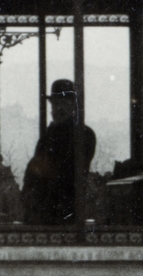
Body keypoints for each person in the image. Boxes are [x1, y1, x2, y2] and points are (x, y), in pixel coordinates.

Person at [21, 80, 97, 228]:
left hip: (65, 210)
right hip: (44, 211)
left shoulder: (82, 134)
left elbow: (67, 172)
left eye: (65, 103)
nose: (59, 108)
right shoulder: (49, 135)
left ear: (73, 106)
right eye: (56, 104)